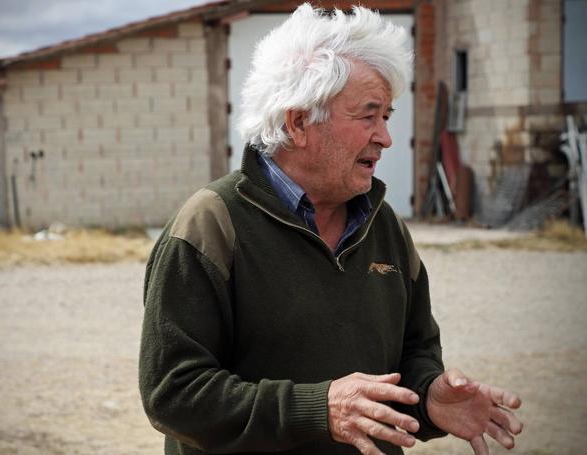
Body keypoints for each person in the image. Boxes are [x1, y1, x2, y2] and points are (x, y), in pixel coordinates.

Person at [139, 4, 523, 455]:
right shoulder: (211, 224)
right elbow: (173, 394)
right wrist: (319, 408)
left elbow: (414, 354)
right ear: (299, 122)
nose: (385, 137)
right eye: (368, 116)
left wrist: (430, 398)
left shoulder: (385, 227)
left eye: (387, 117)